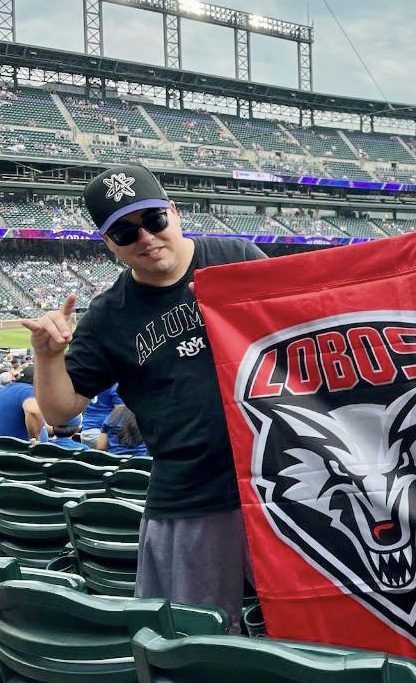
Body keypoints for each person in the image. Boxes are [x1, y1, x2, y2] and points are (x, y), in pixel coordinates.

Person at [22, 163, 265, 633]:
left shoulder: (238, 256)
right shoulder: (109, 314)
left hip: (283, 480)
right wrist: (48, 357)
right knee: (199, 644)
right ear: (108, 243)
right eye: (125, 232)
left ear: (174, 212)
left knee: (313, 632)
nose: (146, 238)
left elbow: (327, 309)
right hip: (191, 496)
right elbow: (59, 410)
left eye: (153, 220)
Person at [0, 364, 46, 441]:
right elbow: (33, 411)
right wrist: (35, 440)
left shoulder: (5, 389)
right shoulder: (28, 391)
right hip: (16, 449)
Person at [80, 383, 123, 448]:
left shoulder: (91, 382)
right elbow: (121, 414)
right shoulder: (114, 386)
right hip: (101, 434)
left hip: (86, 431)